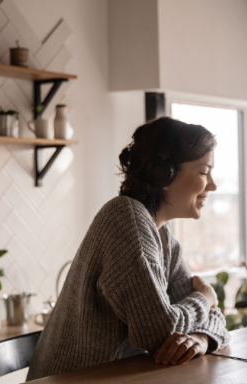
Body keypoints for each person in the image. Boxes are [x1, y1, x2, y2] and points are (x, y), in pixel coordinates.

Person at [27, 117, 231, 380]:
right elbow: (160, 332)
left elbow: (214, 321)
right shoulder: (125, 220)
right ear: (163, 174)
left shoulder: (164, 238)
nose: (213, 185)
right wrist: (206, 298)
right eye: (204, 172)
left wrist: (202, 338)